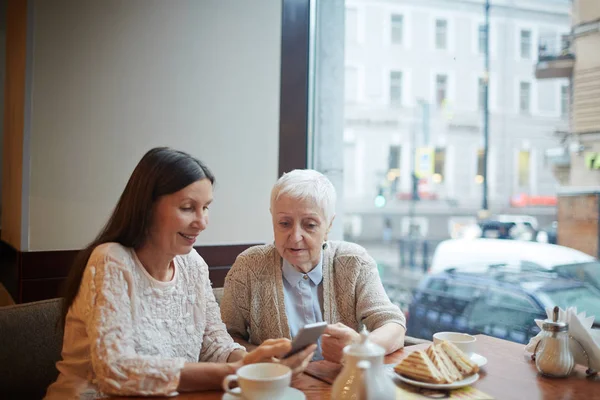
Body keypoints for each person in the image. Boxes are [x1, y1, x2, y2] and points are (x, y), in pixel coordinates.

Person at [45, 148, 315, 399]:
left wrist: (254, 363)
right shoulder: (111, 261)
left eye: (206, 207)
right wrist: (235, 372)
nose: (202, 222)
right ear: (147, 207)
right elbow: (116, 370)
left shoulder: (192, 264)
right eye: (187, 208)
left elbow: (213, 345)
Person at [221, 169, 406, 364]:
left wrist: (361, 347)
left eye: (309, 225)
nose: (295, 236)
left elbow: (393, 325)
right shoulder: (248, 267)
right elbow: (224, 340)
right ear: (272, 219)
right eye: (284, 223)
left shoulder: (355, 262)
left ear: (329, 226)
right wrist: (261, 359)